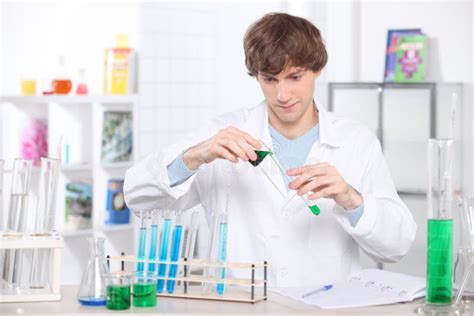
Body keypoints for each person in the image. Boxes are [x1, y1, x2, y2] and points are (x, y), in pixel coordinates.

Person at [124, 12, 417, 287]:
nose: (282, 95)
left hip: (328, 307)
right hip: (239, 306)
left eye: (295, 77)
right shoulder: (221, 135)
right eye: (269, 79)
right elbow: (139, 199)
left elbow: (396, 246)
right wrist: (193, 157)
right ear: (257, 76)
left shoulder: (355, 142)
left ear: (317, 70)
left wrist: (351, 199)